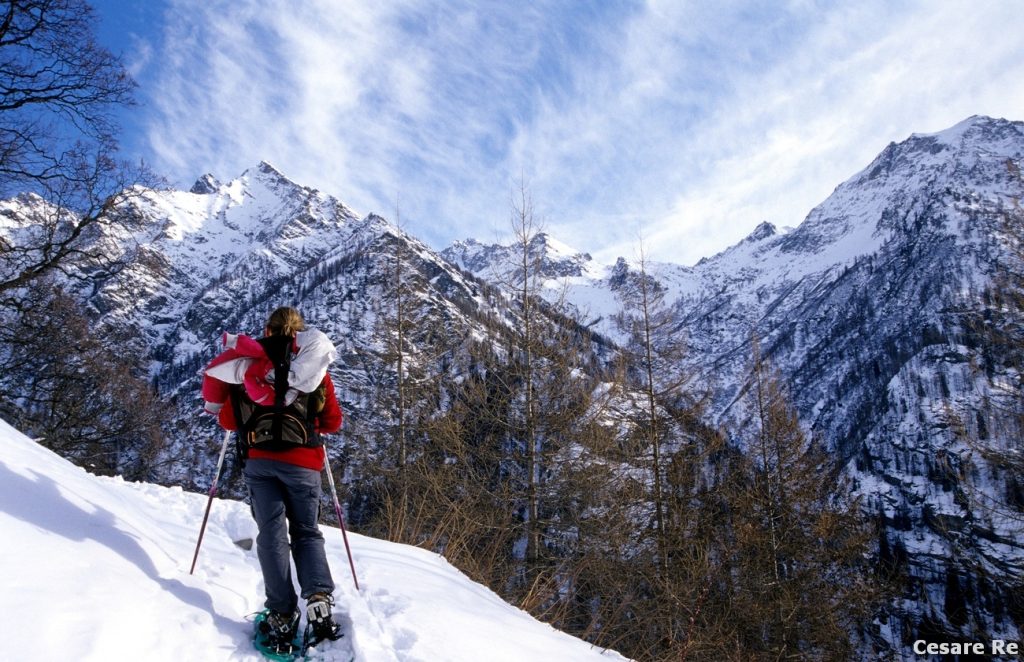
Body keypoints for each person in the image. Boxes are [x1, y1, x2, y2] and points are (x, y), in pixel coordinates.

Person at [201, 306, 343, 651]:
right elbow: (332, 421)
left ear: (266, 330)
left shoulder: (246, 368)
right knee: (306, 532)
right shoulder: (312, 370)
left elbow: (230, 422)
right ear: (300, 335)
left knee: (272, 534)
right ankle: (319, 599)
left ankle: (281, 614)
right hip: (304, 462)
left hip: (260, 463)